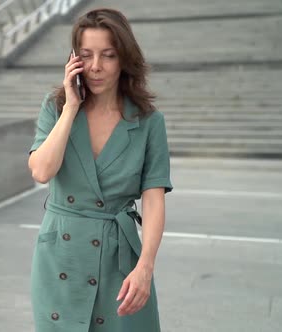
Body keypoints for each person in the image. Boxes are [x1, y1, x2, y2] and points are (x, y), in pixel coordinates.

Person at [27, 8, 173, 332]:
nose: (95, 66)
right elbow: (41, 171)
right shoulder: (56, 108)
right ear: (73, 60)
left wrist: (146, 266)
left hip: (119, 259)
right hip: (61, 257)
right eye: (86, 55)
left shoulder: (149, 122)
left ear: (124, 58)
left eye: (107, 55)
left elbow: (153, 199)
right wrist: (71, 107)